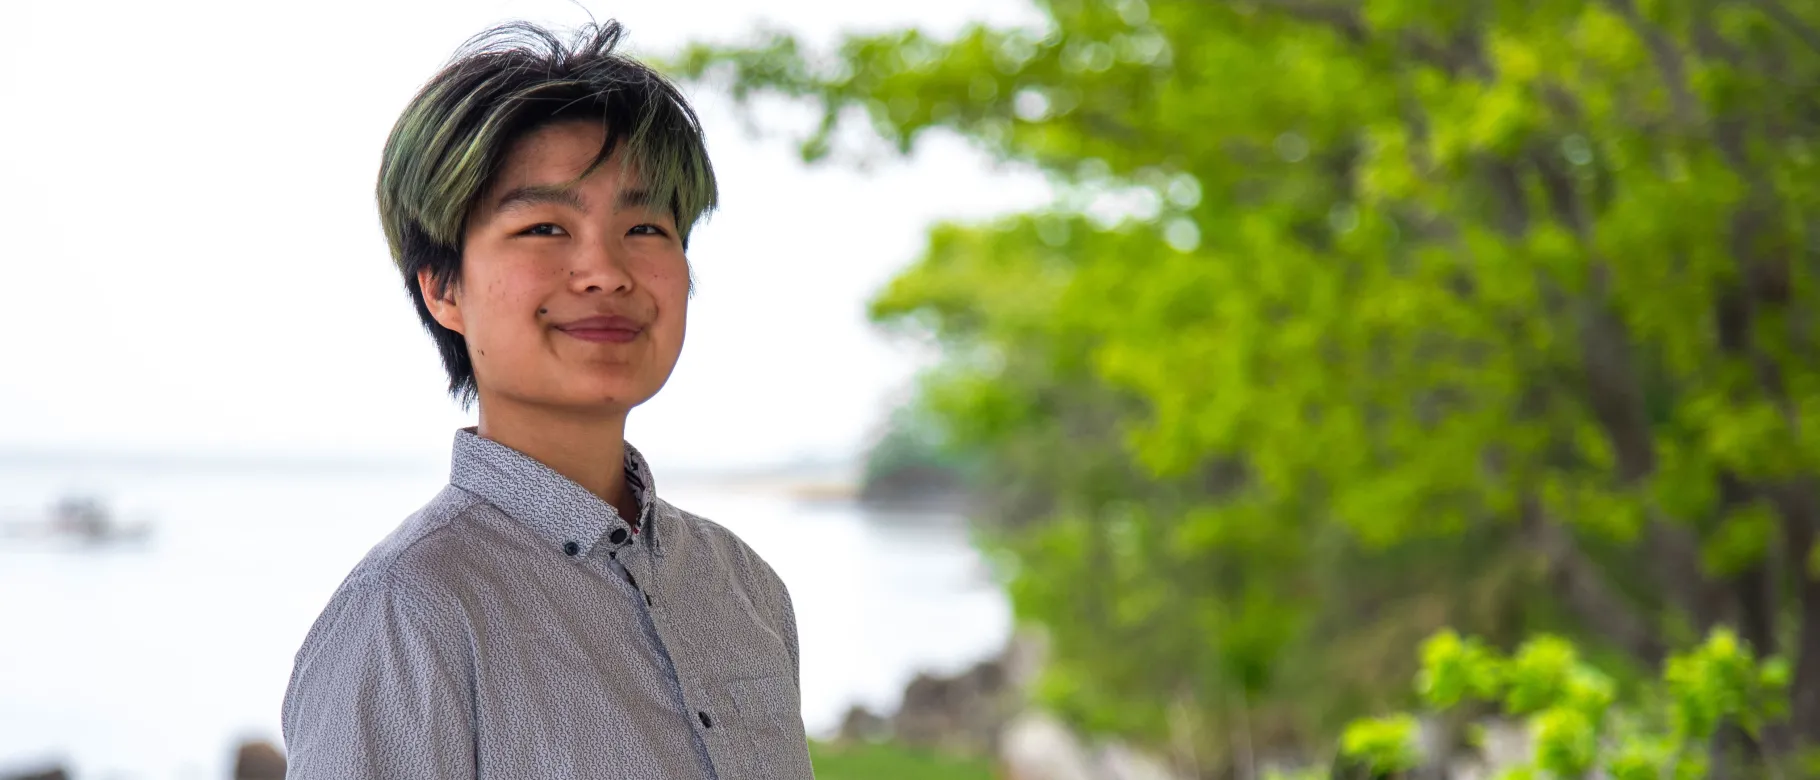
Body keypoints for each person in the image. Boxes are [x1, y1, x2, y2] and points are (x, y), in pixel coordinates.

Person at [280, 20, 813, 779]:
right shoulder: (406, 614)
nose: (605, 271)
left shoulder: (745, 586)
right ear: (443, 289)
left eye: (644, 226)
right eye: (544, 227)